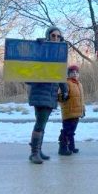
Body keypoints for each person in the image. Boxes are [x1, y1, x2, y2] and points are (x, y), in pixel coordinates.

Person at [27, 26, 69, 164]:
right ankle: (34, 153)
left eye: (58, 36)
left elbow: (60, 75)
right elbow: (29, 72)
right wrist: (38, 46)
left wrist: (64, 89)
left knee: (42, 123)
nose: (56, 38)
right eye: (53, 35)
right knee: (40, 123)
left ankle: (37, 150)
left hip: (51, 94)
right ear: (48, 36)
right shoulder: (41, 51)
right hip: (41, 92)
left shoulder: (58, 55)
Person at [58, 65, 86, 156]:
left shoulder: (79, 84)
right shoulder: (66, 83)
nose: (75, 74)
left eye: (76, 73)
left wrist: (83, 109)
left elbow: (81, 99)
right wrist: (63, 96)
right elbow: (60, 96)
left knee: (72, 131)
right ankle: (62, 147)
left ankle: (71, 147)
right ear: (68, 74)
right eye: (72, 72)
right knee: (67, 130)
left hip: (77, 112)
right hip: (68, 111)